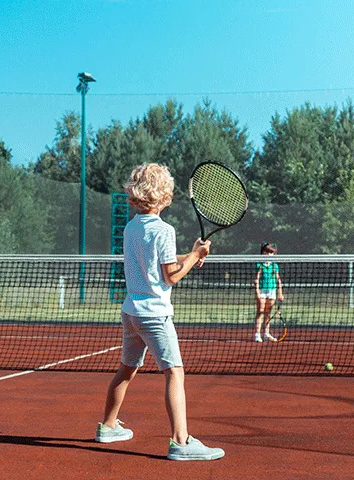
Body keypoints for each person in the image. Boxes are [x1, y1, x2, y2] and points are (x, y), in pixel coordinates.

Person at [95, 163, 225, 461]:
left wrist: (190, 256)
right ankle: (180, 442)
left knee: (127, 369)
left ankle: (108, 426)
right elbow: (171, 277)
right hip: (155, 315)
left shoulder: (130, 227)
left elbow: (154, 261)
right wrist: (194, 256)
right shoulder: (165, 230)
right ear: (164, 196)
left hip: (131, 313)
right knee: (174, 372)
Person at [253, 242, 284, 342]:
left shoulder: (275, 266)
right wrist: (257, 292)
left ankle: (266, 333)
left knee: (268, 313)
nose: (268, 254)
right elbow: (256, 280)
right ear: (262, 253)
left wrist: (280, 293)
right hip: (262, 290)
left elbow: (278, 279)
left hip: (272, 291)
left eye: (271, 252)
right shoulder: (260, 265)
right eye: (266, 252)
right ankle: (257, 334)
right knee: (260, 312)